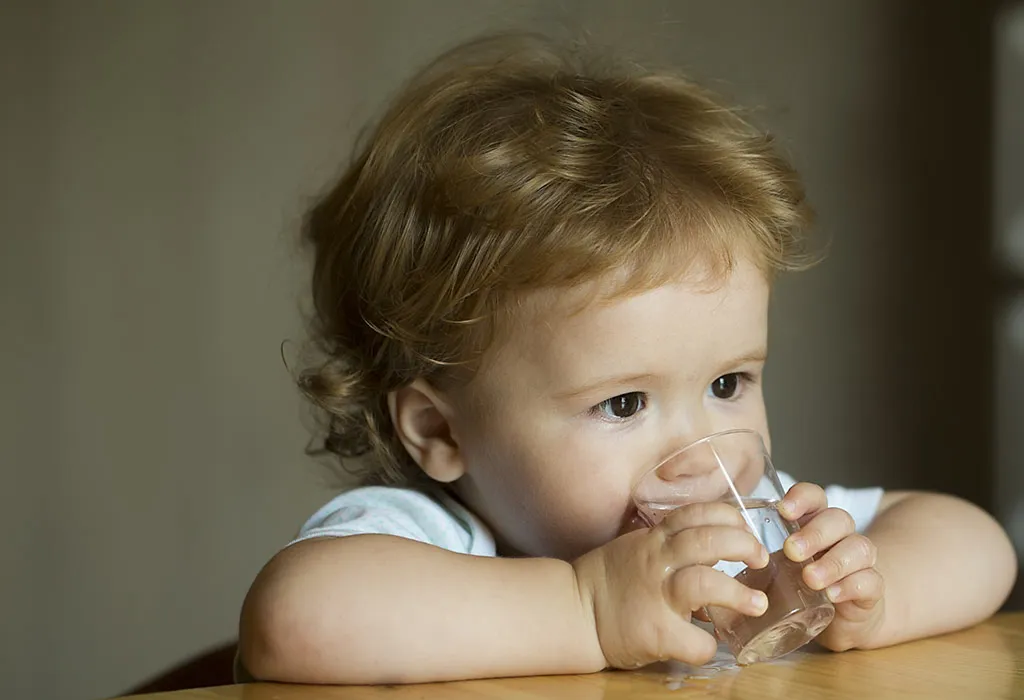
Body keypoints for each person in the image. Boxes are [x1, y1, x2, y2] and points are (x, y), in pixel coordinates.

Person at [237, 32, 1017, 684]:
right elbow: (294, 619)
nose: (694, 452)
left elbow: (976, 541)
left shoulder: (756, 541)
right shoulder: (427, 540)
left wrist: (871, 595)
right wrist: (585, 609)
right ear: (442, 433)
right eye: (623, 403)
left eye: (726, 382)